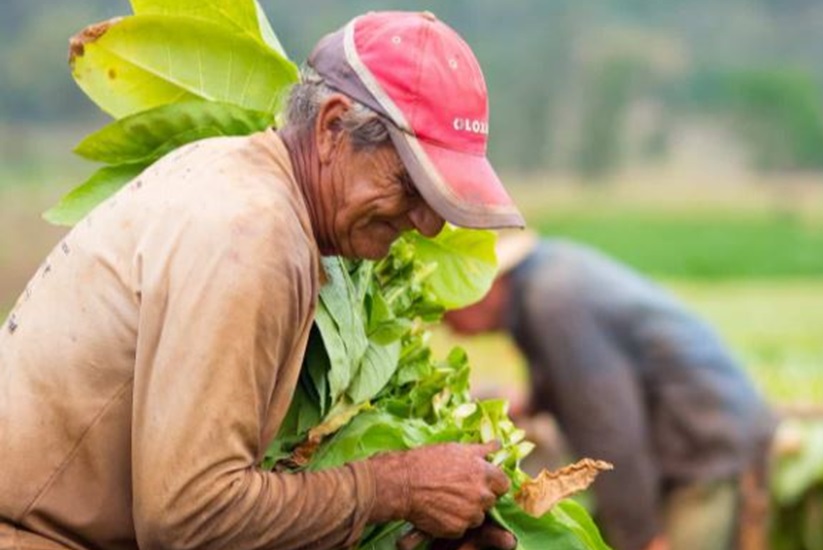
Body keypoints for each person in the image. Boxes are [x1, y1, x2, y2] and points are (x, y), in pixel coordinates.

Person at [0, 12, 524, 550]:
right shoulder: (253, 238)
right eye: (410, 184)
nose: (428, 223)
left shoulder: (236, 179)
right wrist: (392, 487)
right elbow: (189, 519)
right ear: (331, 129)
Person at [444, 234, 776, 550]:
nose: (444, 320)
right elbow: (578, 374)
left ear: (486, 281)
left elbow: (606, 424)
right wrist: (533, 399)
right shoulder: (546, 278)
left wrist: (642, 536)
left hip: (706, 440)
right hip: (699, 431)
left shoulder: (554, 301)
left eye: (449, 297)